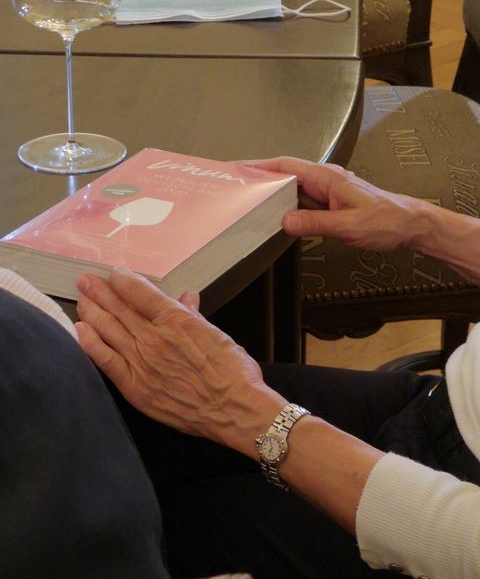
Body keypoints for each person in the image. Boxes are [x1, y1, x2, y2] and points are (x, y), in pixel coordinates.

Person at [1, 157, 480, 579]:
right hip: (447, 408)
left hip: (446, 530)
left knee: (103, 537)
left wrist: (241, 409)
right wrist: (424, 225)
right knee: (107, 418)